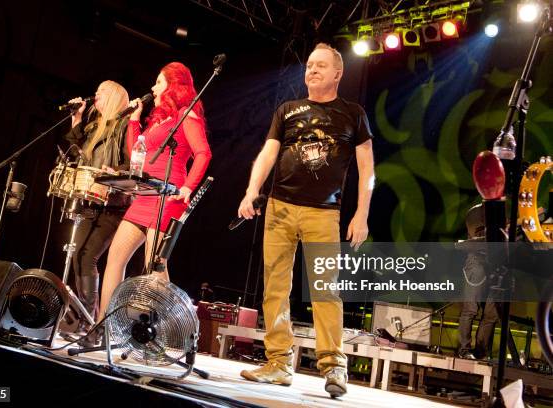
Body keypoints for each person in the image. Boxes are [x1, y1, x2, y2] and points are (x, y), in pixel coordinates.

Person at [237, 43, 375, 398]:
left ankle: (334, 366)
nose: (311, 71)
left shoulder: (353, 113)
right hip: (280, 208)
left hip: (324, 213)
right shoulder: (287, 110)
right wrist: (252, 189)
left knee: (326, 291)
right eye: (309, 65)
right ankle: (278, 364)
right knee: (275, 289)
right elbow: (268, 152)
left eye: (320, 66)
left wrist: (362, 214)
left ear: (337, 74)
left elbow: (367, 169)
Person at [97, 62, 212, 324]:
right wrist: (135, 120)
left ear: (173, 86)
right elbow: (138, 152)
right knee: (115, 259)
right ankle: (105, 325)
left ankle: (178, 326)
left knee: (155, 267)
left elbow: (204, 153)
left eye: (159, 82)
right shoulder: (162, 119)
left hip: (168, 195)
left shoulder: (187, 114)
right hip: (145, 195)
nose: (153, 87)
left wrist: (187, 188)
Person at [62, 80, 131, 332]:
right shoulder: (93, 127)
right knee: (77, 254)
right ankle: (80, 317)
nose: (95, 95)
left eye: (101, 92)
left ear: (113, 96)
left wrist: (114, 172)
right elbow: (76, 152)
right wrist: (77, 117)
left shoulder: (125, 125)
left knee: (89, 256)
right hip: (89, 199)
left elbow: (132, 163)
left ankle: (89, 321)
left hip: (113, 203)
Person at [457, 203, 498, 360]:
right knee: (471, 309)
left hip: (498, 264)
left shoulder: (505, 210)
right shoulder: (475, 211)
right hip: (478, 261)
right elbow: (478, 233)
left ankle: (480, 352)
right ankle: (464, 349)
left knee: (491, 314)